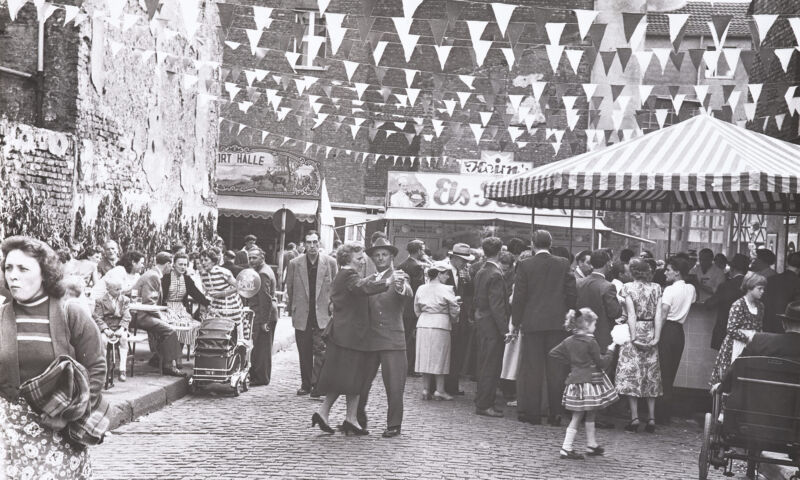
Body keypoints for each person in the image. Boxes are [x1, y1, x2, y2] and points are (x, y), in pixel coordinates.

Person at [0, 236, 106, 478]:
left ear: (44, 274)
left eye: (23, 268)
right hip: (10, 436)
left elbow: (96, 367)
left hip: (60, 434)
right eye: (8, 267)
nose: (13, 275)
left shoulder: (71, 313)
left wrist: (72, 415)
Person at [312, 242, 391, 436]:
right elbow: (360, 288)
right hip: (349, 336)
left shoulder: (346, 274)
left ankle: (349, 418)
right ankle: (334, 415)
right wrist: (387, 282)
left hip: (348, 334)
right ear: (347, 259)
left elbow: (359, 286)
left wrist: (374, 278)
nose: (363, 259)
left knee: (352, 378)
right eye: (358, 257)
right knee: (348, 377)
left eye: (362, 256)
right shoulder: (348, 274)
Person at [512, 230, 577, 426]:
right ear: (550, 243)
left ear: (532, 244)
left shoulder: (524, 265)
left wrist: (515, 323)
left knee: (533, 369)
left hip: (532, 323)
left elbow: (519, 297)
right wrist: (569, 314)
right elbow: (571, 293)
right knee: (556, 369)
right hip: (557, 323)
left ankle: (532, 413)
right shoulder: (563, 263)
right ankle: (555, 413)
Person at [356, 237, 413, 438]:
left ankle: (394, 425)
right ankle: (357, 420)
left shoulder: (399, 276)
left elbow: (406, 291)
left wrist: (400, 286)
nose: (380, 258)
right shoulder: (369, 280)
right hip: (370, 340)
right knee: (360, 384)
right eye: (377, 255)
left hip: (392, 340)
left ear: (391, 257)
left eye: (384, 255)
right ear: (372, 258)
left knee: (395, 385)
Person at [549, 308, 618, 460]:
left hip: (576, 381)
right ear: (586, 324)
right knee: (579, 415)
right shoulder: (590, 342)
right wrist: (610, 351)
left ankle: (591, 445)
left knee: (588, 411)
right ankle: (566, 448)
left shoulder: (568, 341)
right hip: (589, 382)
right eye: (594, 324)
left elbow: (553, 353)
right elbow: (602, 363)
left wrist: (573, 364)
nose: (595, 327)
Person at [286, 231, 338, 396]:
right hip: (302, 313)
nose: (312, 246)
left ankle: (318, 384)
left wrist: (332, 306)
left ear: (319, 243)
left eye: (315, 242)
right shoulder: (295, 263)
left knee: (322, 351)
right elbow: (290, 288)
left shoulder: (330, 262)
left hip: (322, 313)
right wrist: (293, 308)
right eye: (308, 243)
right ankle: (306, 384)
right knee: (304, 351)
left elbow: (335, 288)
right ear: (304, 245)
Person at [615, 259, 663, 434]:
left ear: (633, 272)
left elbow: (631, 314)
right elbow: (659, 314)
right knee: (651, 375)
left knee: (632, 375)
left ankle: (634, 418)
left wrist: (634, 337)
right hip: (650, 330)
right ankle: (651, 419)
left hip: (633, 331)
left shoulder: (627, 287)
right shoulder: (657, 288)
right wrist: (657, 337)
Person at [472, 238, 511, 418]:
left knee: (483, 362)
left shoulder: (481, 271)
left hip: (482, 320)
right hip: (492, 324)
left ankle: (482, 399)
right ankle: (485, 404)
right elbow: (497, 305)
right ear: (500, 251)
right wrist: (505, 330)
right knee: (491, 365)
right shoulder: (496, 274)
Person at [656, 256, 696, 424]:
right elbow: (692, 302)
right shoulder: (691, 288)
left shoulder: (669, 290)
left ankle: (660, 414)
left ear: (677, 272)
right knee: (670, 373)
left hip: (667, 330)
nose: (665, 272)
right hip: (679, 332)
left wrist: (656, 335)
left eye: (668, 269)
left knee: (661, 373)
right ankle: (666, 413)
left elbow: (664, 314)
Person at [132, 252, 185, 376]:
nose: (171, 268)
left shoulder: (153, 274)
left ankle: (160, 359)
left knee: (169, 326)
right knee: (170, 330)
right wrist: (163, 318)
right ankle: (168, 366)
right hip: (140, 315)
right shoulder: (153, 276)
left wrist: (165, 313)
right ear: (167, 264)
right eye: (171, 265)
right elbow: (149, 303)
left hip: (143, 313)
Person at [414, 261, 460, 403]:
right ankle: (439, 390)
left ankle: (426, 388)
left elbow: (416, 308)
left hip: (423, 323)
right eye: (445, 274)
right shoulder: (447, 289)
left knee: (425, 356)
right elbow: (454, 309)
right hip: (441, 324)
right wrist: (453, 319)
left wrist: (424, 316)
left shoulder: (421, 288)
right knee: (440, 357)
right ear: (439, 274)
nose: (447, 277)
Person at [710, 272, 766, 385]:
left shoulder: (760, 306)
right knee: (729, 380)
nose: (762, 291)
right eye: (759, 288)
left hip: (751, 347)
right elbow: (731, 329)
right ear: (750, 287)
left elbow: (760, 327)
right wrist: (748, 339)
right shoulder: (738, 305)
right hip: (735, 346)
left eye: (763, 289)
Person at [576, 250, 623, 352]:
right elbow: (614, 313)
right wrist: (620, 303)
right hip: (602, 339)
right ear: (607, 263)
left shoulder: (578, 283)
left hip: (580, 336)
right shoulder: (608, 286)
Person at [445, 242, 476, 396]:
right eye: (463, 260)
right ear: (455, 258)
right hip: (448, 318)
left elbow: (469, 293)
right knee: (447, 351)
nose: (465, 264)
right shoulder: (444, 271)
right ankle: (442, 384)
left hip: (460, 318)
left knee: (457, 351)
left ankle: (452, 384)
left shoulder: (462, 273)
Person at [245, 248, 278, 386]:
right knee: (260, 346)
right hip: (263, 313)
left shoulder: (263, 273)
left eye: (254, 258)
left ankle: (261, 378)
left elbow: (265, 299)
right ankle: (259, 376)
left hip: (264, 314)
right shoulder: (263, 270)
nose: (251, 260)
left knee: (262, 348)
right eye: (250, 258)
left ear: (262, 257)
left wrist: (264, 321)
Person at [396, 239, 428, 376]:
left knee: (404, 337)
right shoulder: (418, 267)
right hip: (412, 307)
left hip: (402, 306)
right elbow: (419, 289)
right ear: (419, 250)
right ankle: (409, 367)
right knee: (411, 338)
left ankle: (402, 365)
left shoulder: (401, 264)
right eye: (423, 249)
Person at [708, 254, 750, 350]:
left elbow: (710, 305)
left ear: (732, 268)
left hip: (725, 329)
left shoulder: (725, 286)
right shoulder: (751, 286)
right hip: (745, 331)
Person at [94, 277, 132, 382]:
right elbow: (98, 317)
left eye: (120, 289)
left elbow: (127, 316)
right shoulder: (100, 301)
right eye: (117, 289)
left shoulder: (125, 300)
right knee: (103, 340)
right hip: (107, 328)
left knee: (124, 339)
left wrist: (122, 328)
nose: (119, 292)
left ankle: (122, 369)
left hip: (119, 327)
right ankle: (103, 369)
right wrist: (105, 330)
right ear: (108, 289)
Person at [199, 249, 244, 325]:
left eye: (206, 260)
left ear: (213, 261)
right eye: (201, 260)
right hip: (216, 306)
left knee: (231, 329)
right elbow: (206, 292)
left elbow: (240, 286)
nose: (203, 263)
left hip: (231, 306)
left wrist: (223, 293)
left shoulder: (222, 272)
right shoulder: (203, 275)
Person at [162, 252, 209, 317]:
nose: (183, 267)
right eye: (180, 264)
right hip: (165, 310)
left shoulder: (187, 279)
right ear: (174, 264)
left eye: (185, 265)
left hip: (182, 310)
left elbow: (197, 294)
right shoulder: (165, 278)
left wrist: (208, 303)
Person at [762, 251, 800, 333]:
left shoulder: (770, 279)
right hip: (789, 329)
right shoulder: (797, 283)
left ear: (787, 263)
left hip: (767, 327)